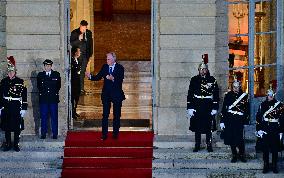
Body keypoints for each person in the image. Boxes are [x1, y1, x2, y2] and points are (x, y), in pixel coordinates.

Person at [85, 52, 125, 140]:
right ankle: (104, 134)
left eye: (109, 59)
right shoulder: (105, 67)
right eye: (106, 59)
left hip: (117, 94)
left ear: (114, 59)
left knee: (116, 115)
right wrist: (90, 77)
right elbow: (98, 77)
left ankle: (115, 134)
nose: (107, 61)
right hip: (106, 94)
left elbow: (120, 80)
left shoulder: (120, 68)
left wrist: (113, 78)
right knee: (105, 115)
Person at [187, 56, 219, 152]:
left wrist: (215, 107)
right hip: (197, 105)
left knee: (208, 127)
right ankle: (197, 144)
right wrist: (190, 107)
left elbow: (216, 94)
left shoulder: (212, 80)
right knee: (197, 127)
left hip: (208, 105)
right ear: (198, 70)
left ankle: (209, 144)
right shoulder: (194, 79)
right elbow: (190, 94)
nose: (202, 71)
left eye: (204, 69)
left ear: (207, 70)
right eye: (200, 69)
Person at [0, 56, 27, 152]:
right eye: (9, 72)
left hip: (16, 106)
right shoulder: (3, 81)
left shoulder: (20, 82)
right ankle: (7, 144)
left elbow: (24, 95)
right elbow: (0, 95)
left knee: (16, 127)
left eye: (12, 72)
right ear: (7, 72)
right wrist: (0, 107)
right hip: (6, 106)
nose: (10, 73)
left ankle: (16, 144)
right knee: (7, 127)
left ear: (15, 72)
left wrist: (24, 108)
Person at [220, 77, 249, 163]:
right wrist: (222, 120)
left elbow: (247, 109)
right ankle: (234, 155)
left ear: (240, 87)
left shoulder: (244, 96)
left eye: (237, 87)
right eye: (234, 87)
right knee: (231, 138)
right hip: (230, 119)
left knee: (240, 138)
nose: (236, 89)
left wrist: (245, 121)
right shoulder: (228, 95)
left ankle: (242, 154)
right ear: (232, 87)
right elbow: (224, 109)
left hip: (239, 120)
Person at [255, 85, 284, 174]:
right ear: (267, 95)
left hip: (275, 128)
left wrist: (281, 130)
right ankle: (266, 165)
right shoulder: (262, 104)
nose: (270, 96)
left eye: (271, 95)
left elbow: (282, 118)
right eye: (268, 95)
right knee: (265, 148)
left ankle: (274, 165)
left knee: (275, 148)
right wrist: (258, 129)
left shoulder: (279, 105)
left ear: (274, 95)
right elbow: (258, 117)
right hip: (265, 127)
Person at [37, 59, 61, 139]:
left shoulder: (56, 74)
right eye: (46, 66)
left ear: (51, 66)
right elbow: (39, 87)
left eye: (49, 66)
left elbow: (58, 86)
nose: (47, 67)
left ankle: (55, 134)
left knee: (54, 117)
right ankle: (43, 133)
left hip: (53, 99)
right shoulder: (40, 75)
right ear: (44, 66)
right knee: (43, 117)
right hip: (44, 99)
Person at [70, 20, 93, 94]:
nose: (83, 29)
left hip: (86, 56)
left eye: (85, 28)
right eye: (82, 27)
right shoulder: (74, 32)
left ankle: (81, 89)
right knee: (77, 72)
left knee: (82, 72)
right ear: (80, 26)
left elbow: (90, 44)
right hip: (77, 56)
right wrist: (78, 39)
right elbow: (71, 43)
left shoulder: (89, 33)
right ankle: (76, 88)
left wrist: (90, 54)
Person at [71, 46, 81, 119]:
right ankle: (72, 112)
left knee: (77, 98)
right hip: (73, 83)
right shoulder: (71, 60)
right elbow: (74, 70)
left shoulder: (77, 60)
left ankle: (74, 111)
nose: (80, 52)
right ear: (75, 52)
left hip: (77, 82)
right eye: (78, 51)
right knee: (73, 98)